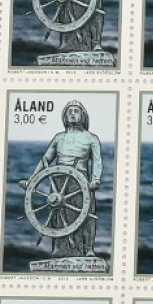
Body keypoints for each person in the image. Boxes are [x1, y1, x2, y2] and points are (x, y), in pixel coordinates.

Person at [33, 101, 108, 262]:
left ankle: (88, 249)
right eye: (69, 111)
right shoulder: (59, 138)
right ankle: (59, 249)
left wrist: (95, 180)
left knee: (87, 215)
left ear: (83, 115)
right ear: (65, 117)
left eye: (76, 111)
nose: (72, 114)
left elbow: (97, 162)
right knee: (57, 213)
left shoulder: (91, 139)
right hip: (59, 181)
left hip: (81, 181)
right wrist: (32, 180)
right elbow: (46, 159)